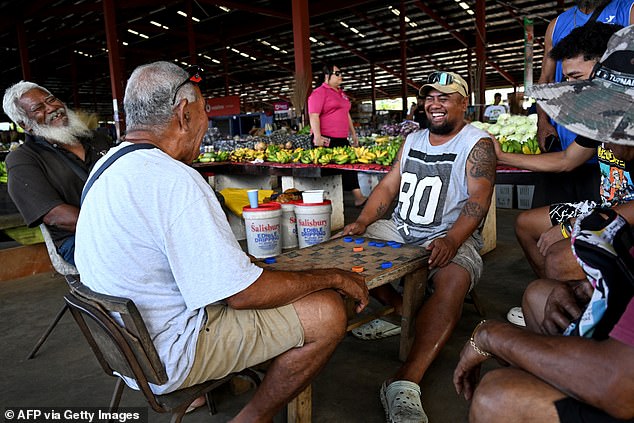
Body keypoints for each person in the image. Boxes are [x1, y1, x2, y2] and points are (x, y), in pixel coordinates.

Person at [74, 61, 369, 422]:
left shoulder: (105, 168)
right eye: (203, 111)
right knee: (326, 312)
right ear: (183, 114)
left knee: (271, 279)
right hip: (172, 353)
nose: (206, 123)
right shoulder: (175, 179)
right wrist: (334, 277)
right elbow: (243, 296)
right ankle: (252, 418)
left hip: (127, 348)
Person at [453, 27, 634, 423]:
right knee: (539, 290)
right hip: (605, 210)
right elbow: (569, 160)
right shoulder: (607, 132)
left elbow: (623, 384)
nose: (602, 132)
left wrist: (492, 335)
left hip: (622, 381)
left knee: (495, 395)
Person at [342, 70, 496, 422]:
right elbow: (386, 187)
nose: (435, 103)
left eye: (445, 97)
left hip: (451, 233)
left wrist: (453, 239)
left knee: (453, 280)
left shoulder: (477, 143)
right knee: (345, 248)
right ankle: (401, 310)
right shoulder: (413, 139)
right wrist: (363, 222)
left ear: (463, 102)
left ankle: (403, 382)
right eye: (430, 96)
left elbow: (479, 199)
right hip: (400, 228)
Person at [496, 22, 627, 283]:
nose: (568, 86)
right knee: (525, 224)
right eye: (565, 78)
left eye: (575, 78)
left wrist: (573, 226)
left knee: (557, 256)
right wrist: (502, 156)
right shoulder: (599, 113)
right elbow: (568, 160)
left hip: (622, 216)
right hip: (605, 207)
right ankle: (556, 297)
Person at [2, 81, 112, 265]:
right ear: (25, 125)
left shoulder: (97, 139)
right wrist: (117, 227)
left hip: (126, 222)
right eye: (39, 108)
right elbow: (55, 215)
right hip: (79, 238)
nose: (53, 107)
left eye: (51, 99)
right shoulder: (22, 160)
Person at [536, 0, 633, 203]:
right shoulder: (556, 25)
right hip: (565, 146)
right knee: (545, 221)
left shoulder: (628, 9)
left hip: (606, 155)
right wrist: (542, 123)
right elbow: (545, 79)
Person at [308, 63, 366, 207]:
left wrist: (353, 134)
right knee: (329, 172)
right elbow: (313, 115)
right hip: (325, 139)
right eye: (337, 73)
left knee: (349, 165)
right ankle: (328, 203)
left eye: (341, 73)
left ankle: (359, 197)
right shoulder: (319, 93)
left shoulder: (341, 93)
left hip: (341, 139)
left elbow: (346, 114)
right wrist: (317, 137)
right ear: (327, 76)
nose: (341, 76)